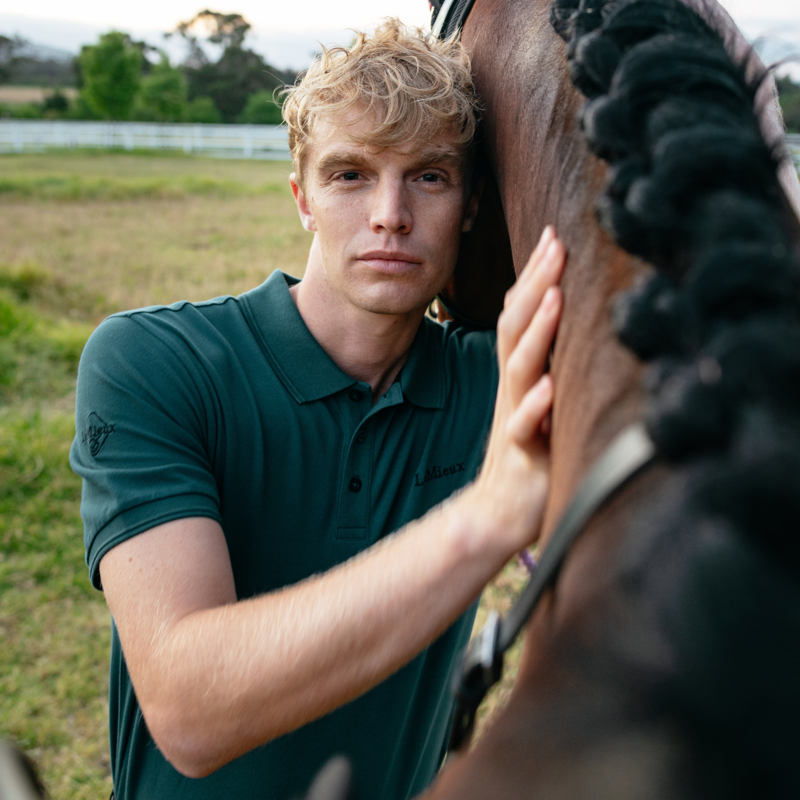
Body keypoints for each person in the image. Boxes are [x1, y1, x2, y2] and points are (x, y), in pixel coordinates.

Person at [70, 19, 566, 800]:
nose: (390, 214)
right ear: (302, 197)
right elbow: (190, 711)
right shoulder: (153, 362)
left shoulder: (497, 379)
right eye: (350, 175)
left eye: (429, 176)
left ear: (472, 206)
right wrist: (490, 515)